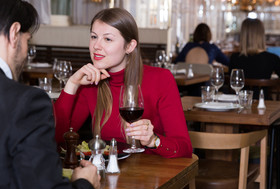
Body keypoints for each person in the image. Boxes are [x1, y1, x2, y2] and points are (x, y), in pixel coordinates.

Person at [54, 8, 192, 158]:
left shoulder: (161, 79)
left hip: (148, 175)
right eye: (94, 37)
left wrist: (154, 140)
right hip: (103, 174)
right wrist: (72, 85)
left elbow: (184, 149)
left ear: (130, 46)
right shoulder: (89, 83)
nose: (96, 46)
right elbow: (57, 139)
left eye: (107, 39)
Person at [0, 0, 99, 189]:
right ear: (14, 33)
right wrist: (85, 184)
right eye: (28, 39)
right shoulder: (24, 102)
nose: (27, 51)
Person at [229, 18, 280, 97]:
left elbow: (232, 83)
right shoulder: (272, 58)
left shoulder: (234, 58)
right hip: (264, 104)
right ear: (261, 35)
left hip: (240, 103)